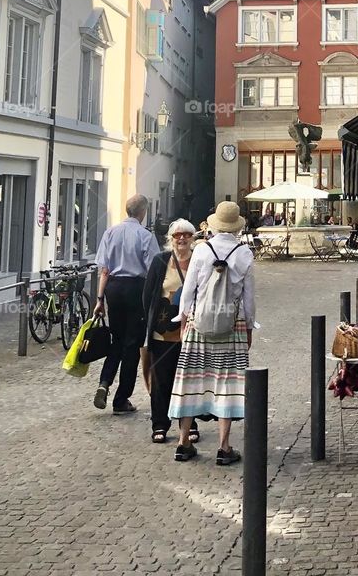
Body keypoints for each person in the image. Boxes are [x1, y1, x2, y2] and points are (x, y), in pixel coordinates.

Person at [170, 200, 255, 466]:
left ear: (215, 224)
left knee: (190, 380)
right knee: (228, 383)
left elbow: (189, 290)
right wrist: (250, 326)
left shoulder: (201, 250)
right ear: (237, 226)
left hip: (199, 323)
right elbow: (250, 299)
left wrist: (184, 319)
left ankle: (183, 443)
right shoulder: (244, 254)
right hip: (233, 324)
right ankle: (223, 447)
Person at [92, 194, 159, 414]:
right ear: (143, 212)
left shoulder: (110, 232)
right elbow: (153, 271)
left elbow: (104, 270)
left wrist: (100, 300)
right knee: (132, 345)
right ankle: (121, 399)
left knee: (117, 340)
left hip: (113, 288)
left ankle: (104, 382)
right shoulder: (145, 236)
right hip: (135, 290)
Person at [142, 219, 197, 444]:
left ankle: (189, 424)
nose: (181, 238)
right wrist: (151, 323)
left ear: (192, 237)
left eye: (185, 235)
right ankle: (159, 425)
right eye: (177, 235)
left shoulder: (198, 260)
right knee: (162, 380)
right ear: (171, 239)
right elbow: (148, 295)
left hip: (190, 333)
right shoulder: (160, 260)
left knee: (188, 380)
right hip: (162, 333)